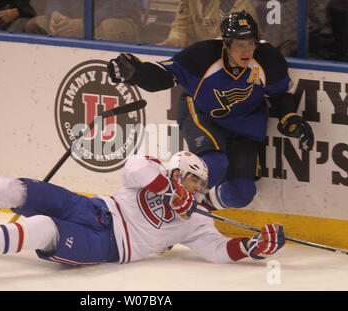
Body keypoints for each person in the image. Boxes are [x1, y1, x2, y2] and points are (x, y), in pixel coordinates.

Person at [107, 11, 314, 211]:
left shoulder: (268, 59)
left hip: (244, 124)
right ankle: (164, 214)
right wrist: (137, 74)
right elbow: (163, 75)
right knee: (214, 164)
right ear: (226, 43)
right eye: (240, 45)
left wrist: (290, 117)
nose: (246, 52)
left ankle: (195, 206)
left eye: (250, 44)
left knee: (241, 194)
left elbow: (280, 93)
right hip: (201, 113)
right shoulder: (202, 55)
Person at [0, 151, 285, 264]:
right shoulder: (154, 170)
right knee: (9, 187)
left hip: (109, 246)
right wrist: (167, 188)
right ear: (175, 171)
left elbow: (219, 251)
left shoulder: (197, 221)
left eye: (201, 185)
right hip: (91, 207)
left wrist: (250, 248)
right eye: (193, 180)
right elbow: (134, 167)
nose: (198, 189)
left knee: (45, 228)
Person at [24, 0, 142, 43]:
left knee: (108, 28)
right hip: (73, 22)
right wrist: (56, 16)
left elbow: (123, 5)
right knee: (34, 25)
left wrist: (85, 23)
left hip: (115, 20)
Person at [158, 0, 259, 47]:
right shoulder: (188, 2)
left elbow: (234, 41)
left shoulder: (235, 2)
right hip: (205, 57)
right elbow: (181, 28)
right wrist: (172, 42)